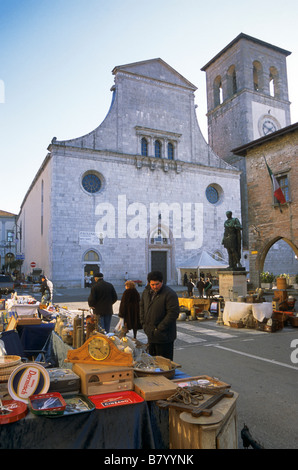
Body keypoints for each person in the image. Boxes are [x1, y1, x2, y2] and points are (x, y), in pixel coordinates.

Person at [140, 271, 179, 360]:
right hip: (150, 333)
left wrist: (159, 328)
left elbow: (173, 313)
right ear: (149, 283)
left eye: (157, 284)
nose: (155, 287)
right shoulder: (146, 292)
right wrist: (143, 323)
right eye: (152, 284)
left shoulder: (170, 294)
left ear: (162, 281)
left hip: (165, 336)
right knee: (153, 362)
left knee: (164, 363)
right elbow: (142, 307)